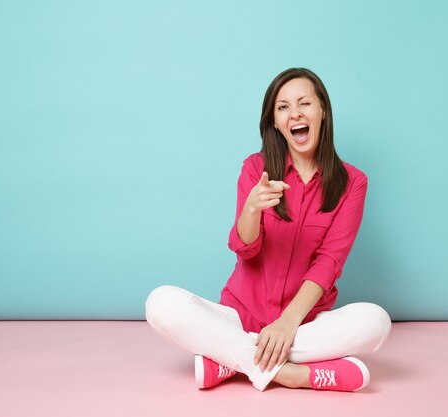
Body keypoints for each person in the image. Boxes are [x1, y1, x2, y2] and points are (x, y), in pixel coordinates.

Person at [145, 67, 391, 392]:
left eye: (304, 103)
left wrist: (287, 323)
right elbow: (245, 247)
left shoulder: (352, 182)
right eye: (283, 107)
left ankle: (230, 358)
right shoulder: (255, 168)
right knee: (160, 303)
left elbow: (329, 262)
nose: (295, 113)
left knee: (376, 321)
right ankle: (291, 373)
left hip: (302, 326)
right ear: (275, 121)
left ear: (323, 112)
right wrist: (251, 207)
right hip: (239, 316)